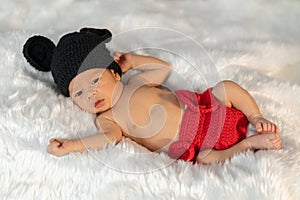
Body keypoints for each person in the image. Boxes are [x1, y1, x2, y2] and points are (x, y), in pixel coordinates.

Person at [23, 28, 281, 164]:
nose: (90, 93)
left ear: (114, 74)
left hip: (205, 110)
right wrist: (71, 146)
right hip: (192, 143)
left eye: (95, 80)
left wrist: (133, 61)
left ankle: (256, 117)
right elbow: (108, 139)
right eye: (78, 93)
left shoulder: (136, 81)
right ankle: (248, 145)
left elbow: (163, 69)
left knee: (226, 87)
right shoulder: (107, 119)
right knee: (207, 159)